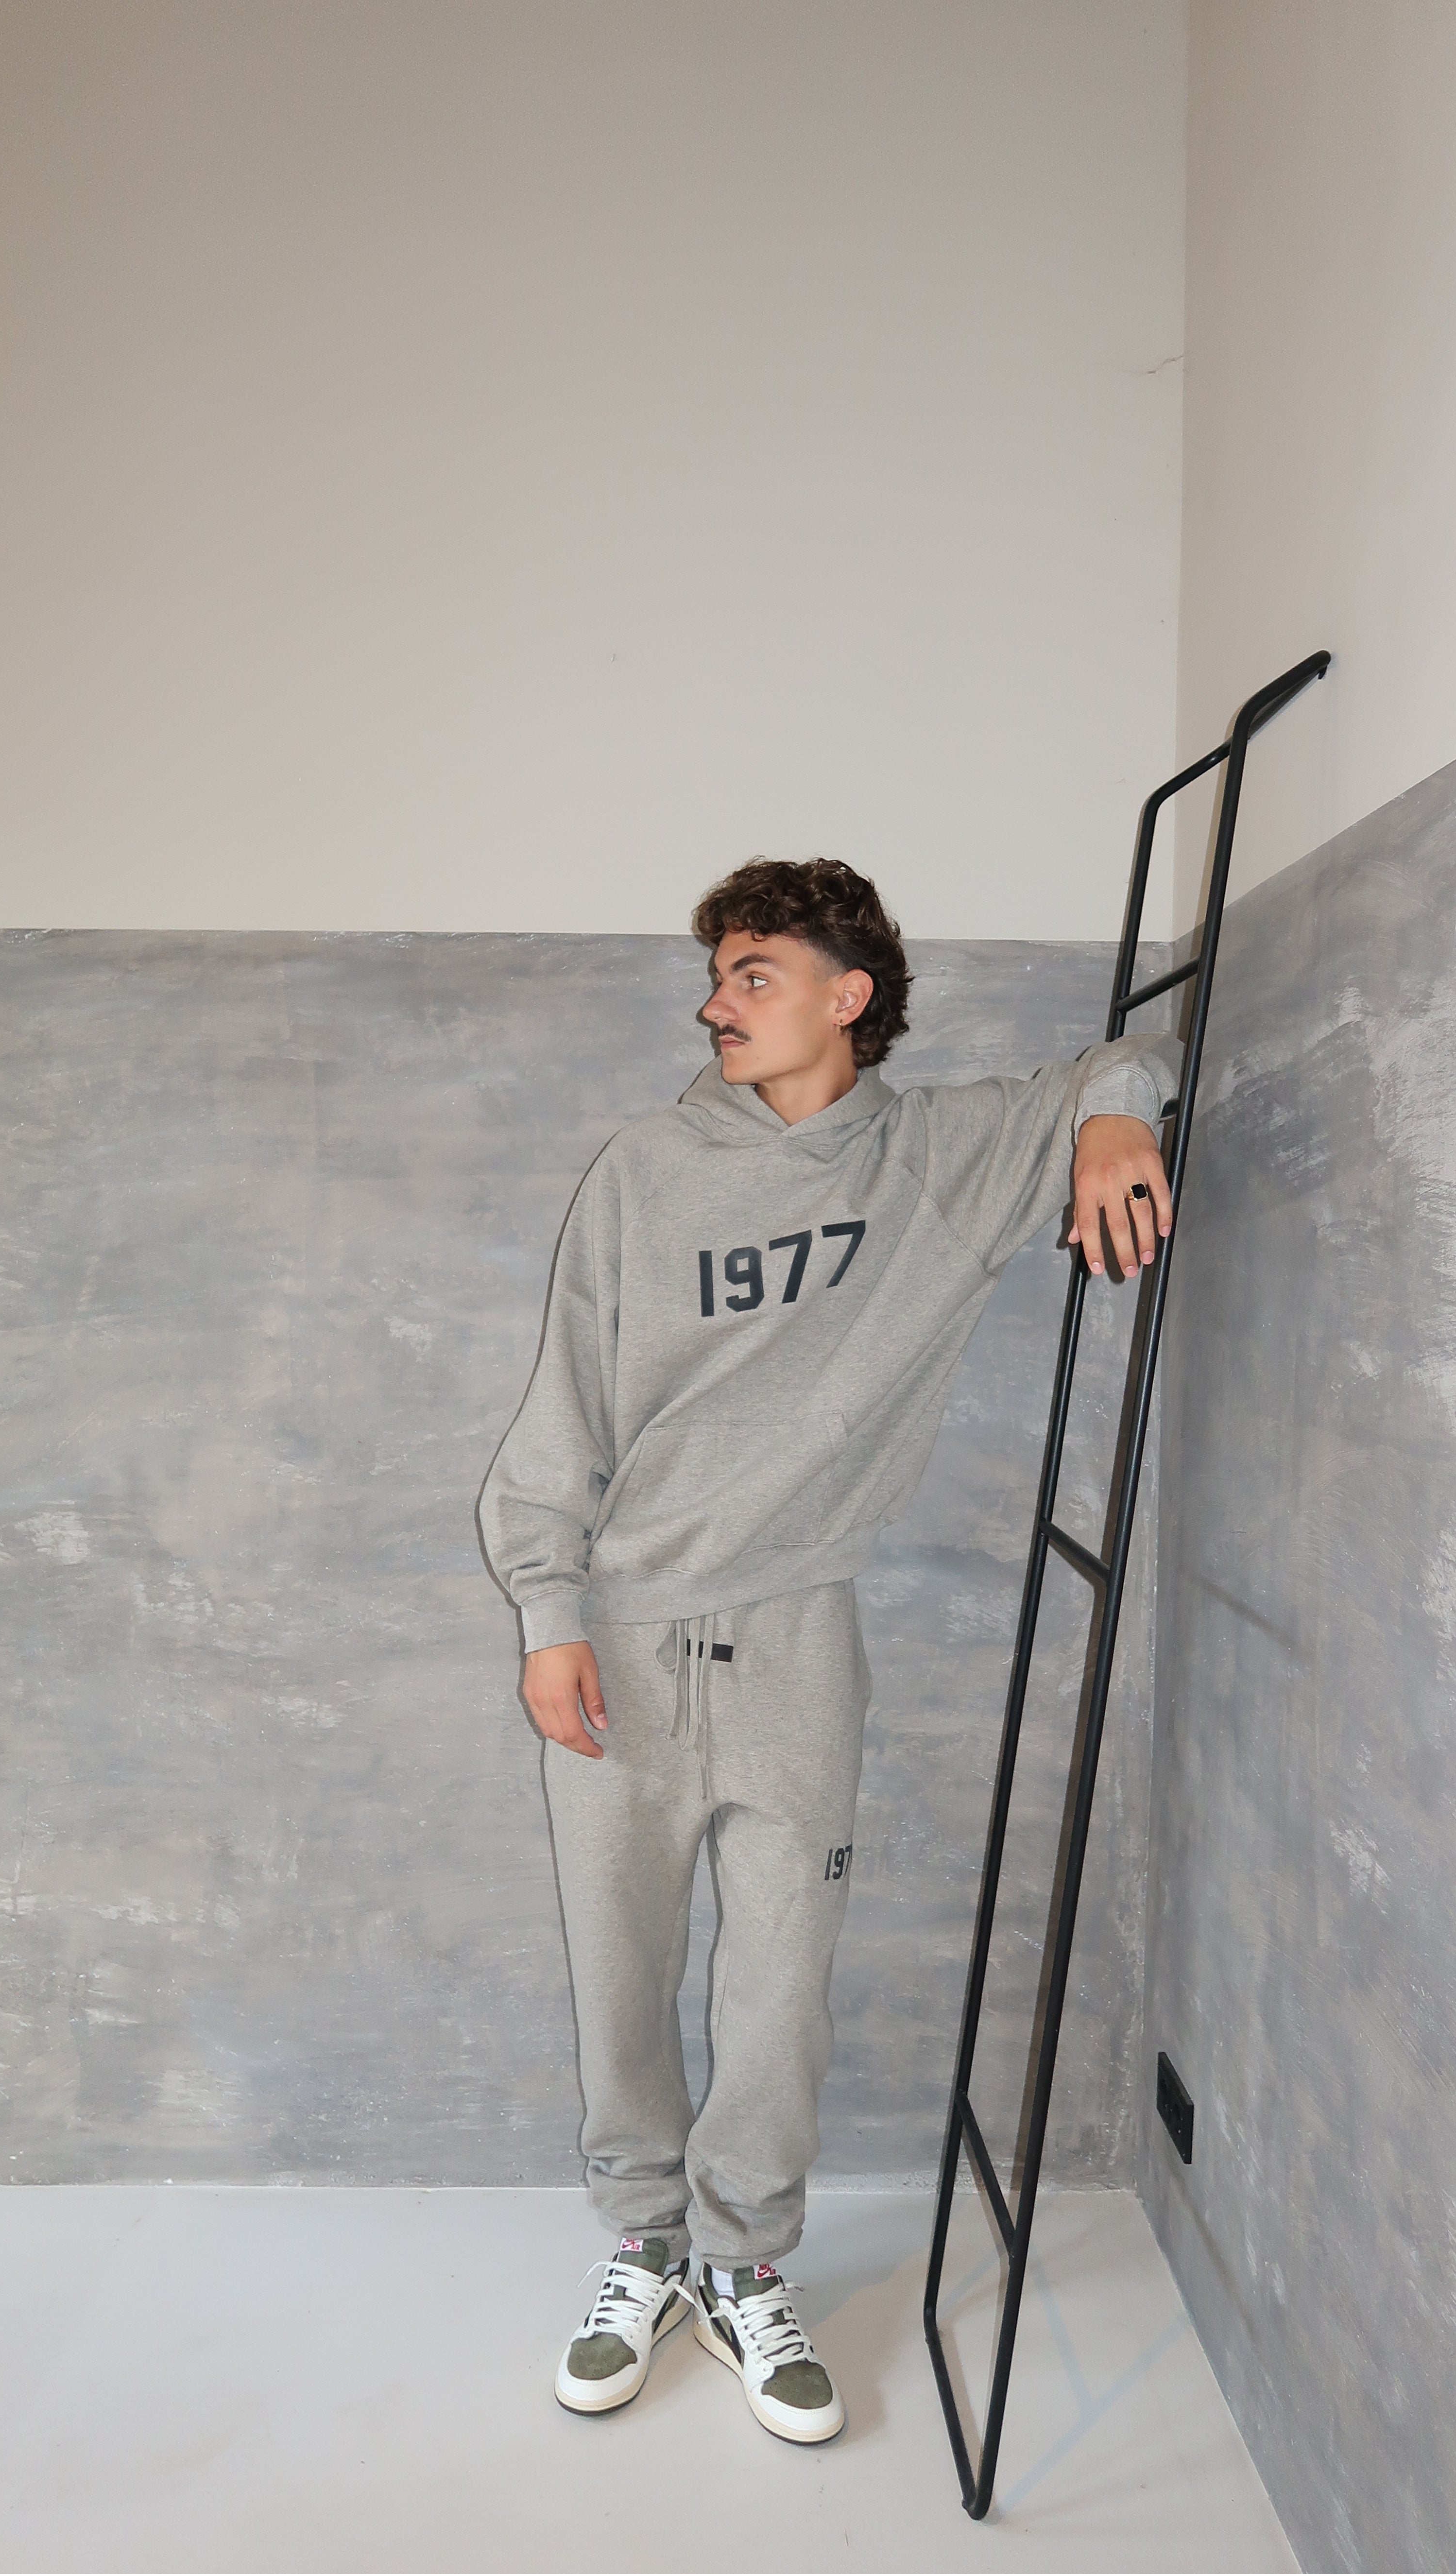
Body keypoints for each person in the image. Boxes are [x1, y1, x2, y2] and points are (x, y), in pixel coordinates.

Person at [479, 857, 1179, 2446]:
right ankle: (645, 2247)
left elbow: (1137, 1053)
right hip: (622, 1636)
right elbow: (562, 1413)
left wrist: (1112, 1125)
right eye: (718, 976)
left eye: (754, 975)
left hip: (801, 1638)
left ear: (847, 997)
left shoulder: (936, 1161)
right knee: (621, 1969)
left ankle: (741, 2262)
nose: (716, 1006)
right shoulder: (643, 1173)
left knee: (783, 1984)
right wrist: (547, 1617)